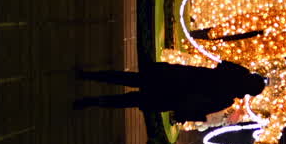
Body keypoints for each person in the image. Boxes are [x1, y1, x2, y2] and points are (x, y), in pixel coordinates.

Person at [73, 61, 267, 118]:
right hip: (173, 96)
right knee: (131, 99)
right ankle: (93, 101)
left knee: (131, 80)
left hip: (175, 78)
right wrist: (181, 113)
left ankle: (91, 76)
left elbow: (221, 65)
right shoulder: (227, 98)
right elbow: (201, 109)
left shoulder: (233, 74)